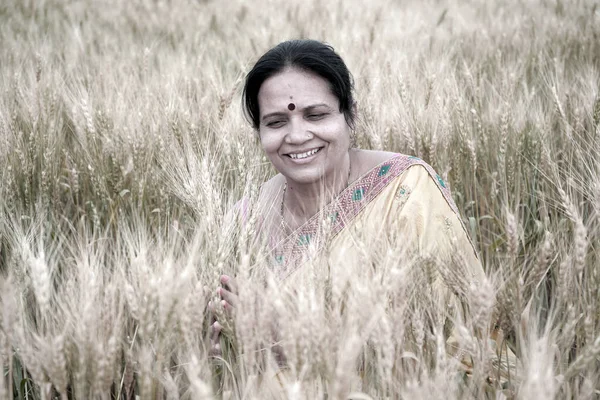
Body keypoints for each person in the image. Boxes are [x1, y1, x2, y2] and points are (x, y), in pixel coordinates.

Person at [209, 39, 517, 390]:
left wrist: (283, 334)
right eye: (276, 122)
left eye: (316, 115)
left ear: (349, 116)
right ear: (260, 133)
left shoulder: (404, 191)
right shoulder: (244, 219)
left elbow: (451, 341)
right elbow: (224, 348)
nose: (296, 135)